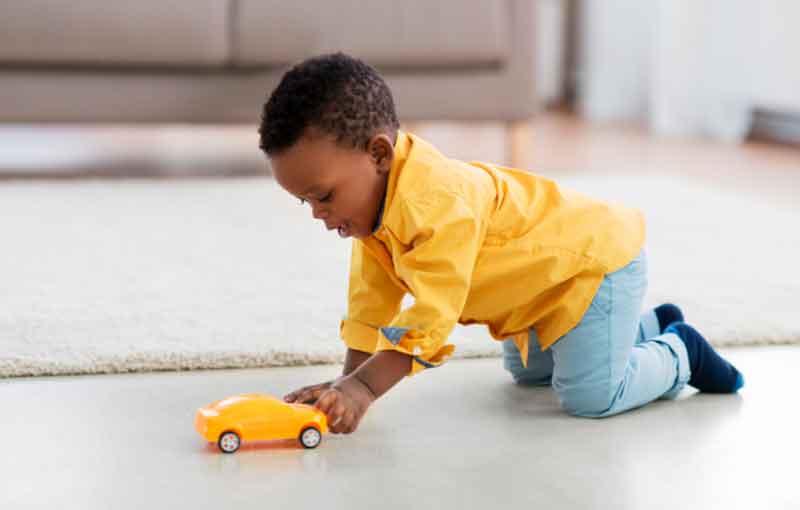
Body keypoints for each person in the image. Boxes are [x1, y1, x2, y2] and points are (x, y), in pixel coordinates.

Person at [257, 52, 744, 435]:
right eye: (306, 203)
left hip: (593, 267)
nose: (319, 215)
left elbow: (431, 316)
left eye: (323, 196)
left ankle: (680, 351)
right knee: (529, 374)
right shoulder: (373, 214)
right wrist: (341, 385)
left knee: (590, 396)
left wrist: (362, 390)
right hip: (535, 296)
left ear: (378, 153)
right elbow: (371, 306)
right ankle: (645, 324)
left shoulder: (436, 203)